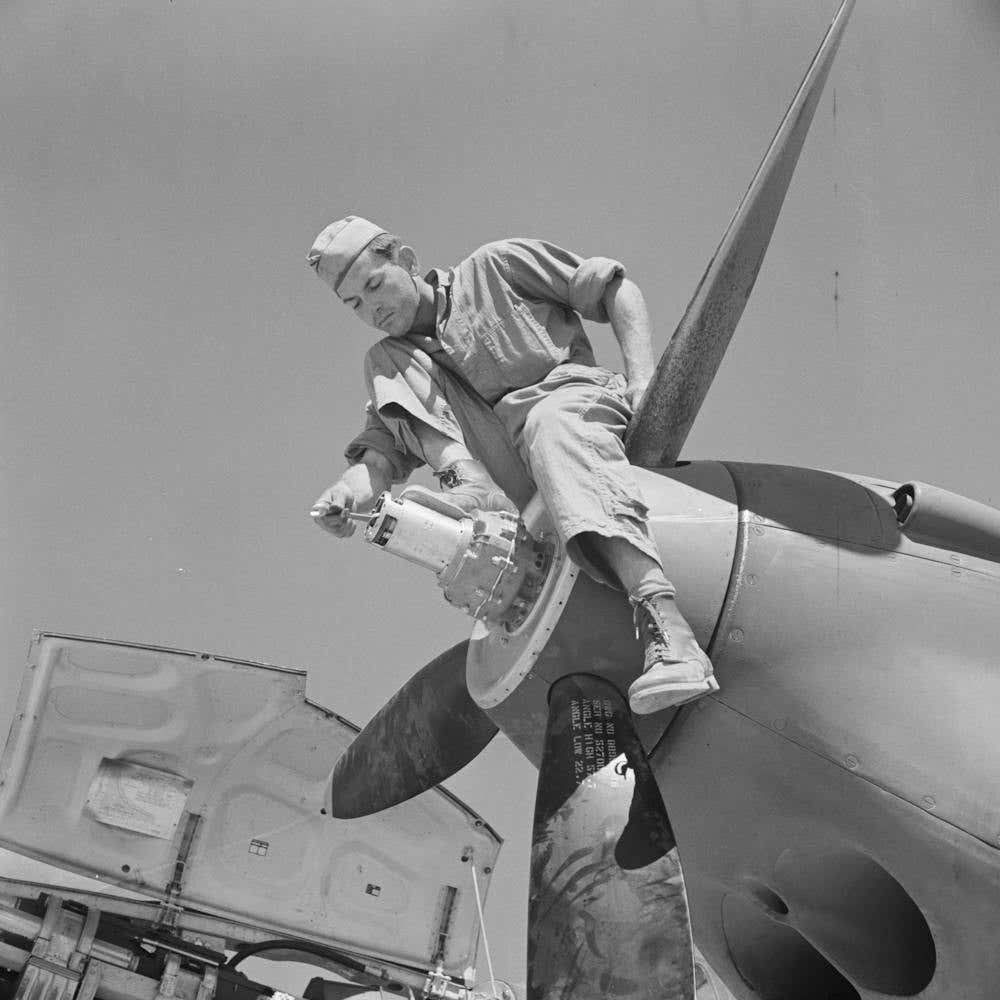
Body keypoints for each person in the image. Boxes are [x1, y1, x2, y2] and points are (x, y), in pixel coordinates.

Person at [307, 215, 716, 714]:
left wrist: (643, 378)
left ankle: (667, 627)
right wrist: (345, 495)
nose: (372, 308)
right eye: (354, 304)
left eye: (374, 286)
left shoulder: (496, 266)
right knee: (381, 359)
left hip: (572, 412)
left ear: (406, 260)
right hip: (518, 489)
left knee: (547, 426)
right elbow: (376, 460)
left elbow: (615, 288)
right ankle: (468, 484)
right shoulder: (395, 364)